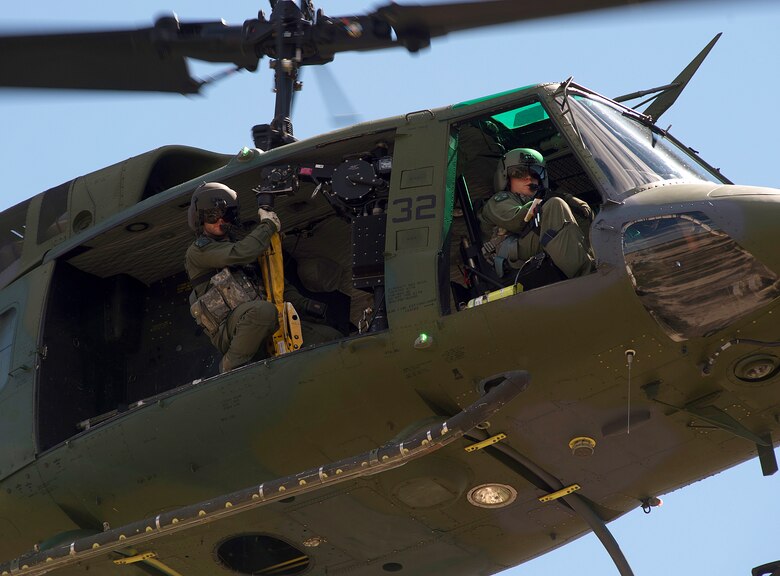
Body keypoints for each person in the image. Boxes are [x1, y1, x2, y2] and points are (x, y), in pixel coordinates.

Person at [185, 182, 332, 373]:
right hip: (230, 328)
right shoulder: (198, 251)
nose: (220, 220)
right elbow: (241, 253)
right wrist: (268, 225)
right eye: (212, 216)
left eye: (226, 215)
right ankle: (231, 366)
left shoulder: (242, 245)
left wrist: (306, 306)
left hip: (265, 320)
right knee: (262, 311)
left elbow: (276, 286)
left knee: (327, 336)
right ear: (200, 219)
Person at [478, 148, 594, 281]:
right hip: (511, 255)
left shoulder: (542, 201)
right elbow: (517, 221)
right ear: (506, 177)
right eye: (519, 173)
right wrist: (549, 197)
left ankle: (593, 264)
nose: (528, 177)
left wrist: (572, 203)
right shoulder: (499, 200)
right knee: (556, 204)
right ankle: (588, 277)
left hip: (535, 243)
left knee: (579, 213)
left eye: (535, 173)